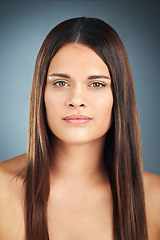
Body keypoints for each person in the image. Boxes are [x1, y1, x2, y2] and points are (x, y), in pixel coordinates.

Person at [0, 17, 160, 240]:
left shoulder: (156, 199)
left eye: (97, 84)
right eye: (60, 83)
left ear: (119, 97)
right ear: (41, 93)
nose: (76, 99)